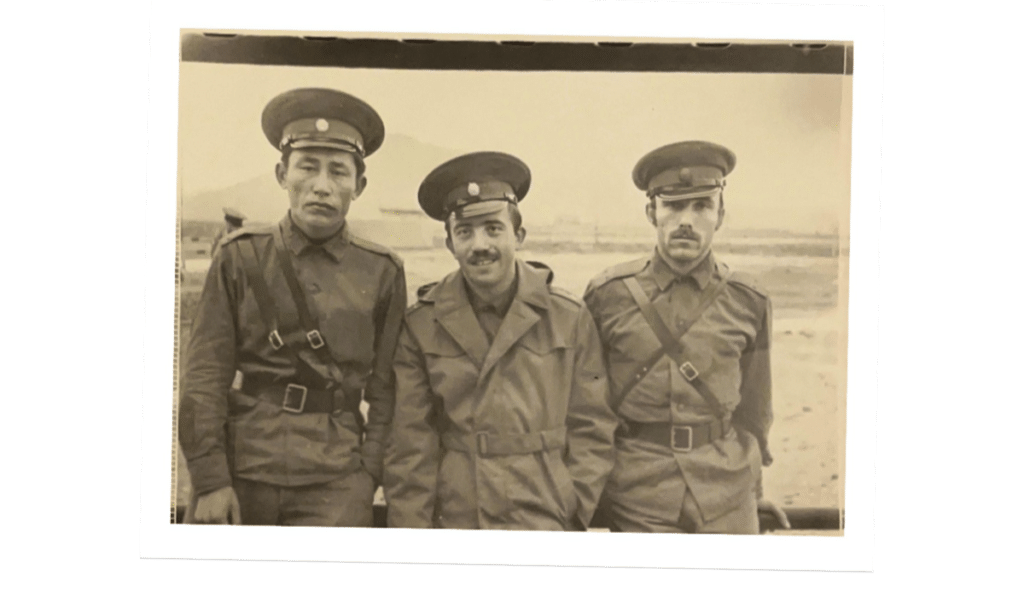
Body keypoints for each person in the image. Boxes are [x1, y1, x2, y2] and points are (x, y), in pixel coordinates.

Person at [179, 88, 407, 526]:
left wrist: (367, 476)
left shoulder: (382, 271)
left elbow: (386, 391)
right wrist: (209, 480)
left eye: (338, 171)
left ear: (358, 186)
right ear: (283, 174)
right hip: (243, 471)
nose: (322, 185)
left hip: (337, 480)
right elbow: (205, 374)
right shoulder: (239, 257)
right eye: (308, 167)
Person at [384, 152, 617, 531]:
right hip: (458, 517)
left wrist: (572, 509)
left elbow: (593, 426)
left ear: (518, 236)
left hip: (544, 515)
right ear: (449, 243)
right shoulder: (423, 323)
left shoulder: (568, 316)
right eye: (465, 232)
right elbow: (411, 444)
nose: (479, 245)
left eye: (493, 228)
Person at [583, 141, 788, 534]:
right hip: (636, 495)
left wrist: (753, 491)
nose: (686, 221)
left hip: (727, 491)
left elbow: (755, 410)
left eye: (701, 206)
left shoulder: (750, 300)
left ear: (720, 215)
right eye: (674, 206)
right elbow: (587, 410)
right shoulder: (606, 296)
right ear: (651, 212)